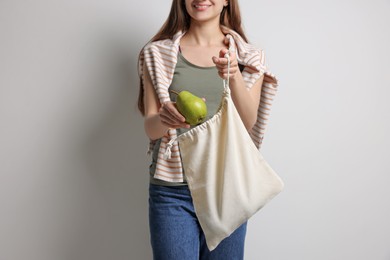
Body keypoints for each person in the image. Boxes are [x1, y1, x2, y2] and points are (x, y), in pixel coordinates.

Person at [137, 0, 279, 259]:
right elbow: (151, 127)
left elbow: (249, 122)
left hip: (227, 186)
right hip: (172, 191)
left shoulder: (249, 57)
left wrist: (234, 74)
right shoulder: (156, 54)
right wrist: (165, 120)